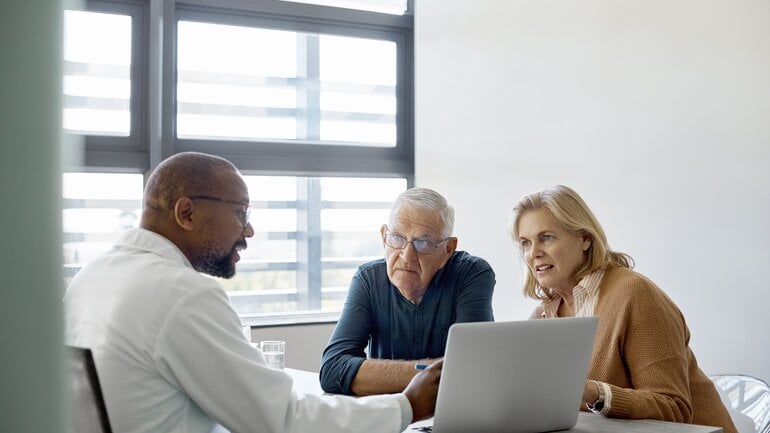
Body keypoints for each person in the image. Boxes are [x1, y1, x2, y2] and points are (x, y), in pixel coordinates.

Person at [64, 152, 442, 433]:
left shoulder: (91, 277)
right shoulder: (180, 294)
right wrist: (406, 406)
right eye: (241, 212)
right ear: (187, 213)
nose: (249, 231)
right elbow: (281, 420)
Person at [509, 185, 737, 433]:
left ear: (585, 239)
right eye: (525, 243)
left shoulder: (635, 294)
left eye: (547, 238)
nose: (534, 254)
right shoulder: (542, 316)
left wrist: (591, 391)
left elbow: (673, 407)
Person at [320, 187, 495, 396]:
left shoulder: (471, 274)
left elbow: (473, 370)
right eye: (397, 238)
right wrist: (439, 371)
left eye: (423, 242)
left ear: (448, 249)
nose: (407, 255)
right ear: (384, 236)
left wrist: (375, 375)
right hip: (388, 415)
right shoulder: (368, 279)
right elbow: (332, 371)